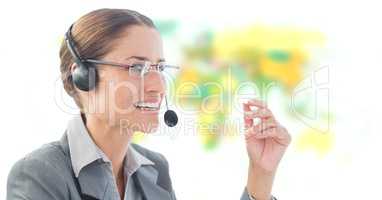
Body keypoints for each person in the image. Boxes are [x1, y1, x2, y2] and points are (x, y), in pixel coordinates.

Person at [6, 8, 291, 200]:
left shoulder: (154, 168)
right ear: (84, 77)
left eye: (159, 67)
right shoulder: (39, 173)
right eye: (136, 68)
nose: (158, 86)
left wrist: (260, 175)